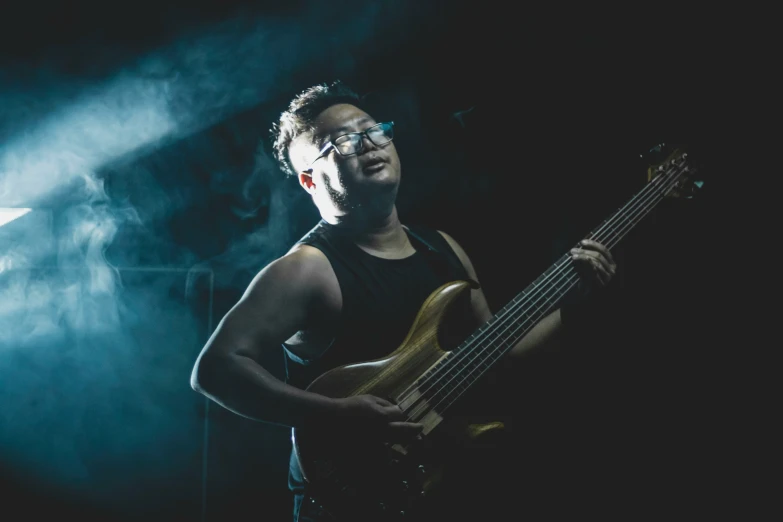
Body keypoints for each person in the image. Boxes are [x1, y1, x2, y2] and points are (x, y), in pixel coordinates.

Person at [190, 80, 617, 521]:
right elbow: (216, 369)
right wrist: (336, 415)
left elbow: (497, 355)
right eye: (344, 141)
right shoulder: (305, 270)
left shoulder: (444, 249)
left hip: (445, 491)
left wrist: (575, 301)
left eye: (375, 130)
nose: (369, 144)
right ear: (309, 178)